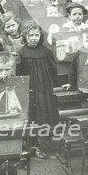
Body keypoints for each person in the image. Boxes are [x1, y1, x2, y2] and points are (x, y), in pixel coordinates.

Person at [16, 21, 58, 158]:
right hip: (29, 89)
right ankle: (30, 145)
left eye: (36, 35)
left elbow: (53, 70)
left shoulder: (46, 51)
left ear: (40, 36)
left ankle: (43, 146)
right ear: (25, 36)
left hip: (44, 89)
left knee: (44, 115)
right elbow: (18, 72)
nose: (34, 38)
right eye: (31, 35)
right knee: (31, 116)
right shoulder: (21, 52)